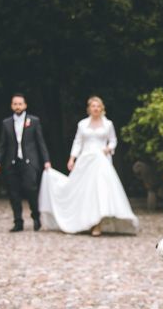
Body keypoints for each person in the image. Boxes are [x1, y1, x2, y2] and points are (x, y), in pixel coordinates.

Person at [38, 96, 138, 236]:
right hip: (85, 160)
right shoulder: (83, 124)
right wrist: (72, 158)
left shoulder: (107, 124)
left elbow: (113, 141)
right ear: (89, 108)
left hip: (101, 161)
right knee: (83, 191)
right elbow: (78, 142)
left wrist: (108, 149)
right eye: (93, 106)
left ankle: (97, 223)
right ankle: (83, 221)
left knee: (98, 191)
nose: (95, 108)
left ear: (101, 108)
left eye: (98, 106)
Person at [0, 93, 51, 232]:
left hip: (29, 160)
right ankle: (18, 221)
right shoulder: (6, 123)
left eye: (20, 104)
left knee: (30, 188)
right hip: (11, 162)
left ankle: (36, 216)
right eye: (15, 104)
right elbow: (3, 144)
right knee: (13, 192)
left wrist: (46, 160)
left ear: (25, 105)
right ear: (11, 106)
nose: (18, 106)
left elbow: (40, 142)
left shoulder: (34, 121)